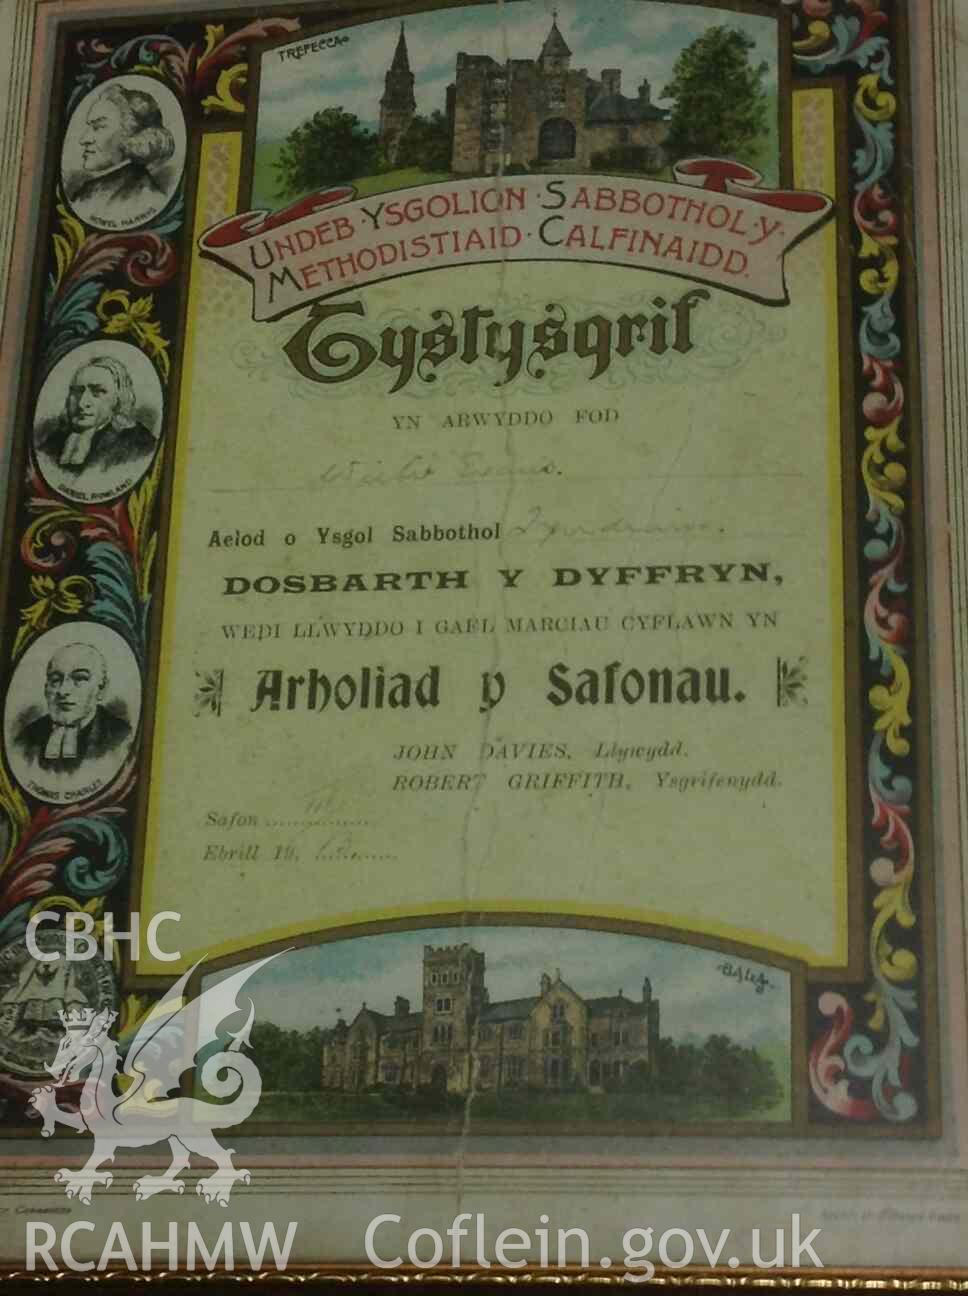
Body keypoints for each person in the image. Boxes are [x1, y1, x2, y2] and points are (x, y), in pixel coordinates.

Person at [14, 642, 132, 774]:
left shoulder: (121, 737)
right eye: (55, 679)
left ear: (102, 689)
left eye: (80, 678)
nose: (63, 691)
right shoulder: (26, 738)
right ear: (46, 689)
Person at [38, 354, 156, 476]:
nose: (82, 403)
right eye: (77, 391)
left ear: (118, 399)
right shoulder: (53, 442)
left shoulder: (138, 443)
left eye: (98, 392)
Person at [69, 83, 176, 210]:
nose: (84, 139)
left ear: (133, 138)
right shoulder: (87, 193)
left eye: (98, 127)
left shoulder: (147, 197)